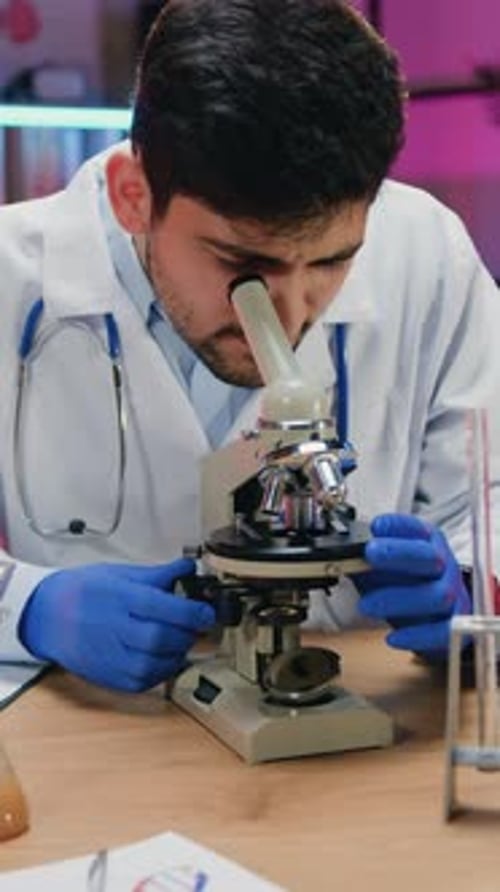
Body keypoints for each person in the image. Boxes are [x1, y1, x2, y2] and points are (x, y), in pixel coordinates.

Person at [0, 0, 498, 694]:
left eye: (331, 263)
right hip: (99, 735)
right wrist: (25, 607)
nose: (292, 316)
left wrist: (475, 586)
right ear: (133, 196)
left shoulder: (426, 253)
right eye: (243, 266)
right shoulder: (12, 276)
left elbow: (489, 491)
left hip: (355, 731)